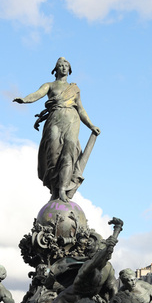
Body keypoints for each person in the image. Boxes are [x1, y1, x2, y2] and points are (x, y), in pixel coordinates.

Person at [13, 57, 100, 202]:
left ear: (70, 70)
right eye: (60, 65)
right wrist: (25, 99)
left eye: (66, 65)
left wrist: (91, 125)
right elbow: (37, 94)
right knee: (52, 150)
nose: (64, 68)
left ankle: (62, 189)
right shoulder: (50, 85)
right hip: (55, 118)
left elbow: (81, 109)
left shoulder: (75, 90)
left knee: (69, 152)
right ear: (55, 69)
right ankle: (54, 186)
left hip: (72, 119)